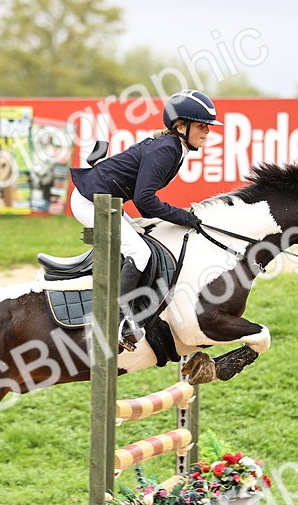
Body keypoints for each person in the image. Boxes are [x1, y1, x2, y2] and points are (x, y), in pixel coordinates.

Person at [69, 89, 219, 348]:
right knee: (140, 253)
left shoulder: (174, 147)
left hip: (106, 201)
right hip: (90, 201)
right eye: (202, 126)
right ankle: (111, 321)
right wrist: (183, 216)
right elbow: (144, 200)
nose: (207, 132)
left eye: (209, 127)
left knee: (145, 241)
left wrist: (176, 217)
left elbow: (145, 203)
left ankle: (135, 310)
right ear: (180, 126)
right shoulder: (167, 149)